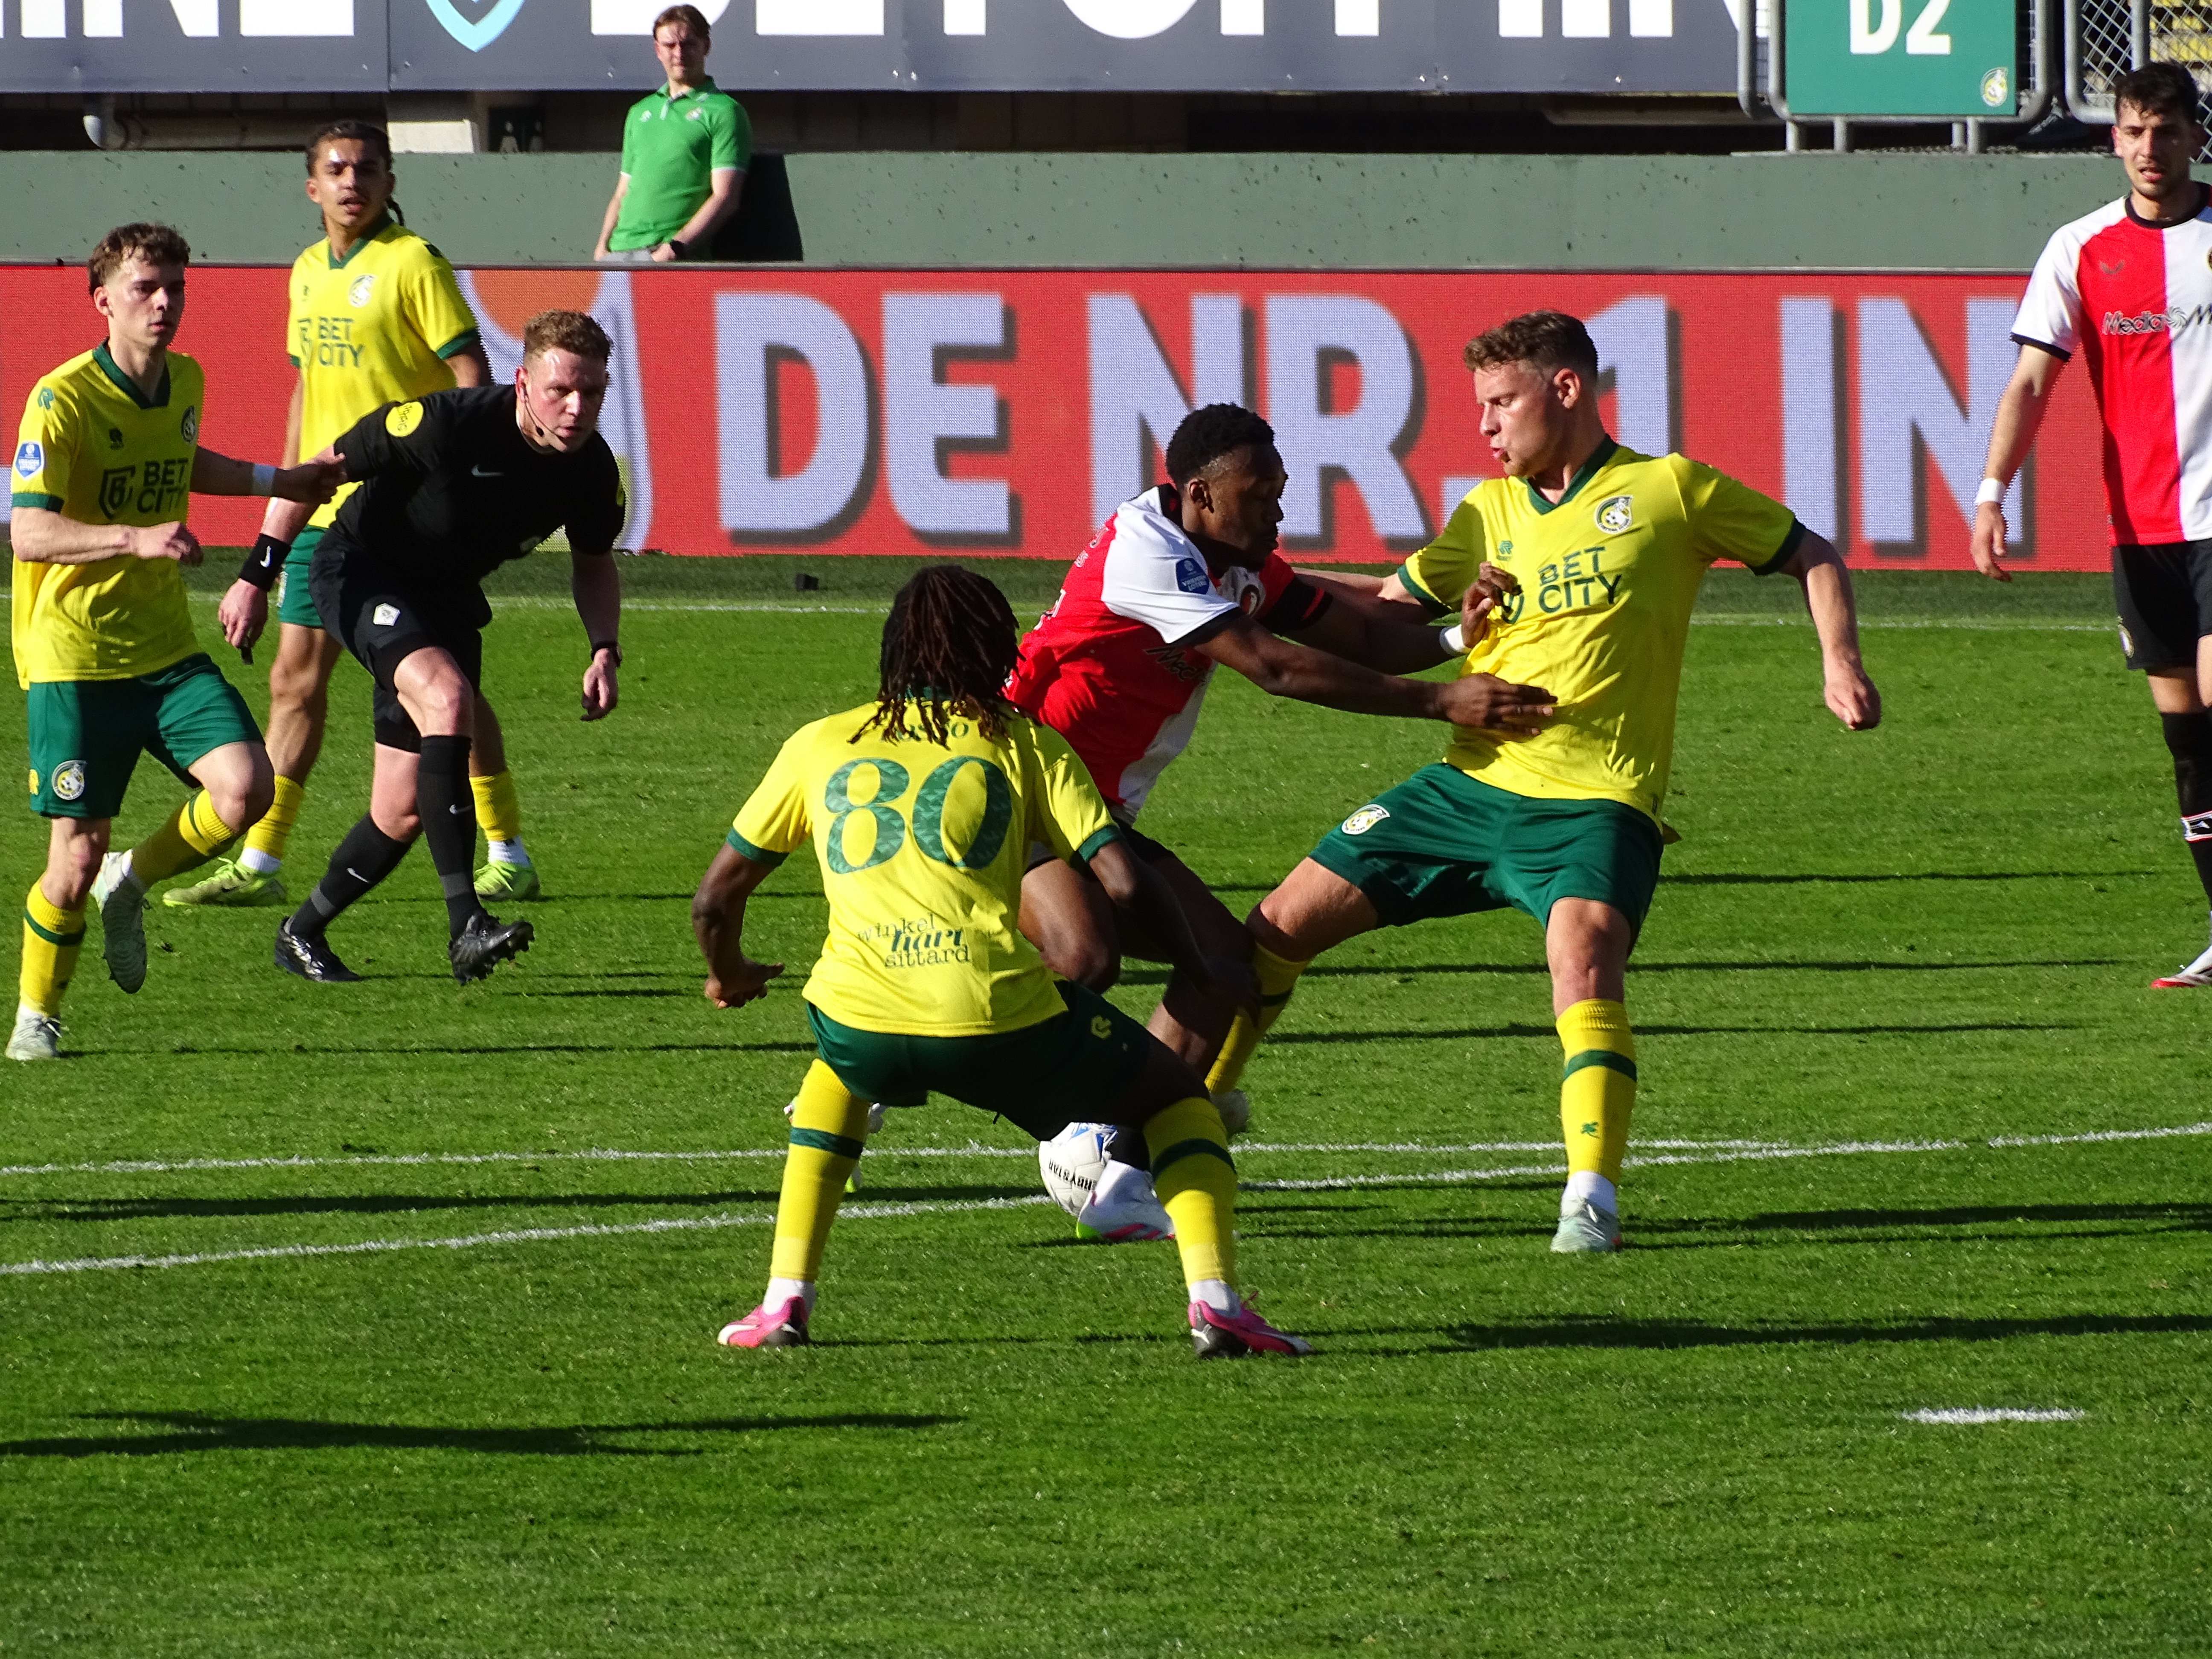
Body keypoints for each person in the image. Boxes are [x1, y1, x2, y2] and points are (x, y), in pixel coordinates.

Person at [1199, 309, 1880, 1254]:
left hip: (1595, 796)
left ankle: (1591, 1197)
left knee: (1584, 960)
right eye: (1479, 406)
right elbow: (1383, 607)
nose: (1484, 425)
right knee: (1277, 925)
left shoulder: (1668, 490)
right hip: (1467, 786)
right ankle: (1201, 1112)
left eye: (1499, 402)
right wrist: (1252, 580)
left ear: (1566, 390)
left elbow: (1810, 551)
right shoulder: (1486, 512)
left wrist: (1838, 661)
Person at [693, 564, 1310, 1359]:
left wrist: (729, 971)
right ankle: (1217, 1305)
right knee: (1176, 1097)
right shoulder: (1022, 742)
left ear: (894, 652)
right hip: (993, 1016)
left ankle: (783, 1303)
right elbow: (1123, 879)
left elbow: (715, 897)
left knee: (835, 1072)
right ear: (994, 652)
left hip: (860, 1018)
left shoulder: (819, 743)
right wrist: (1196, 965)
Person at [1009, 403, 1554, 1116]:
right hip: (1016, 790)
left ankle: (1119, 1144)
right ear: (1200, 495)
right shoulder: (1145, 551)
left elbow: (1358, 636)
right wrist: (1438, 702)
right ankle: (944, 1056)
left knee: (1222, 965)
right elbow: (1275, 668)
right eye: (1258, 495)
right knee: (1085, 960)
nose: (1277, 512)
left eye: (1279, 490)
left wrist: (1454, 640)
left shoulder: (1238, 563)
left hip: (1093, 810)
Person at [177, 122, 546, 913]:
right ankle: (262, 857)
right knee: (292, 682)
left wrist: (464, 487)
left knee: (445, 689)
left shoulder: (413, 262)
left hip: (403, 520)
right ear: (312, 187)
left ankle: (507, 847)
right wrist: (276, 518)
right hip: (324, 515)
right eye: (336, 170)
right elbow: (308, 398)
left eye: (368, 168)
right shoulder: (308, 272)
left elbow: (470, 374)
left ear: (388, 180)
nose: (353, 181)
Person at [7, 223, 335, 1061]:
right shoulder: (62, 397)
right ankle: (37, 1016)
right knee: (70, 860)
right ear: (103, 300)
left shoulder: (185, 378)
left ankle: (136, 880)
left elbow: (183, 460)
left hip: (162, 649)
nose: (165, 303)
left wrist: (277, 480)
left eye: (176, 288)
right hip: (75, 659)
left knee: (245, 788)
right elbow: (30, 532)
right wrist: (134, 539)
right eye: (148, 287)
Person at [272, 309, 626, 986]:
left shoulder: (590, 469)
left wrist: (604, 647)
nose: (578, 408)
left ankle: (301, 933)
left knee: (401, 811)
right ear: (523, 382)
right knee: (450, 697)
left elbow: (593, 561)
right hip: (359, 568)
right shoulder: (447, 423)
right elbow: (319, 470)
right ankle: (467, 924)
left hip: (444, 599)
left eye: (594, 393)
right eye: (561, 391)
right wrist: (256, 574)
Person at [1974, 63, 2212, 988]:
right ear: (2114, 138)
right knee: (2187, 739)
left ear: (2198, 135)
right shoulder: (2080, 248)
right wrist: (1993, 491)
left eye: (2168, 131)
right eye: (2134, 131)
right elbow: (2034, 380)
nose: (2151, 149)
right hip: (2141, 528)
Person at [592, 5, 749, 264]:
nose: (679, 54)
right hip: (617, 255)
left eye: (688, 44)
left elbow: (725, 198)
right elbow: (623, 191)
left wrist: (673, 250)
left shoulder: (725, 111)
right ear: (658, 50)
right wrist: (602, 247)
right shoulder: (639, 112)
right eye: (670, 45)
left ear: (706, 46)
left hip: (671, 258)